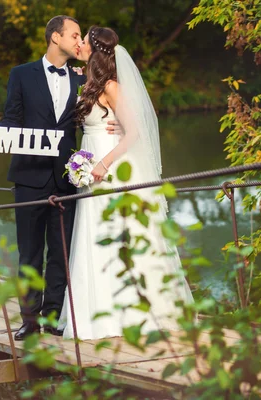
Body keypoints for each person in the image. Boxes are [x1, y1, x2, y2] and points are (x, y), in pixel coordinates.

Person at [0, 16, 120, 340]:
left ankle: (52, 320)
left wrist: (116, 125)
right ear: (55, 37)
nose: (79, 41)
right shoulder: (21, 75)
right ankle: (29, 321)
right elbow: (10, 120)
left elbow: (105, 111)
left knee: (60, 255)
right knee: (30, 254)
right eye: (74, 35)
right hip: (29, 178)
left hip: (69, 179)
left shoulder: (82, 79)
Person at [59, 26, 194, 340]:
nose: (78, 44)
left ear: (95, 50)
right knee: (93, 235)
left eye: (83, 41)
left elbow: (134, 132)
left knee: (119, 233)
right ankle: (96, 315)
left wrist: (103, 163)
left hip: (109, 167)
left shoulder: (111, 86)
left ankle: (135, 313)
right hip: (91, 166)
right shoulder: (91, 83)